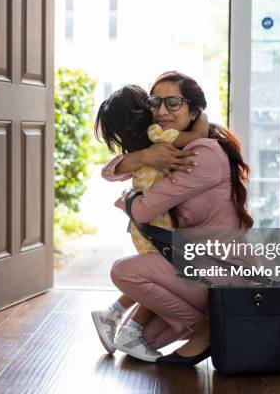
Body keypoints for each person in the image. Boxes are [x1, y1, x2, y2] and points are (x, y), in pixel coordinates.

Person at [105, 71, 255, 365]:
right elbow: (110, 171)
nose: (161, 111)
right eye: (155, 102)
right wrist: (145, 157)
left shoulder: (201, 154)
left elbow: (144, 211)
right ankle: (206, 322)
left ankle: (206, 326)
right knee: (145, 341)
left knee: (123, 271)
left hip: (221, 272)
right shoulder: (173, 147)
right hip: (191, 265)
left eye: (173, 103)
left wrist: (129, 198)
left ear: (194, 109)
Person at [90, 84, 210, 362]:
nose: (159, 108)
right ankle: (128, 329)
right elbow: (199, 133)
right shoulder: (156, 137)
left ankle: (112, 315)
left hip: (146, 229)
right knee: (158, 280)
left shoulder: (143, 143)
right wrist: (201, 114)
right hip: (158, 227)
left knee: (155, 280)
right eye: (152, 103)